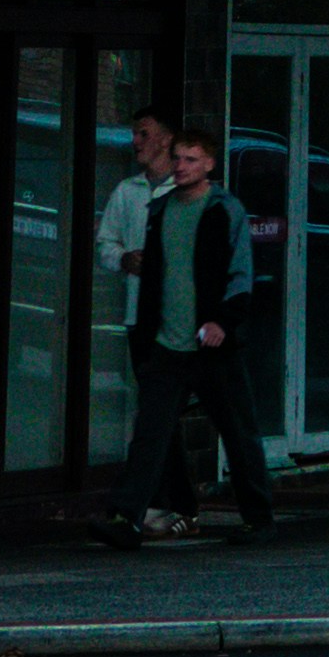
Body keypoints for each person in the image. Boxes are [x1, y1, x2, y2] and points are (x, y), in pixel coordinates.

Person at [101, 128, 279, 545]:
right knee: (150, 434)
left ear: (210, 165)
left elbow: (240, 274)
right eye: (178, 158)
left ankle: (259, 518)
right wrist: (148, 332)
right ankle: (126, 518)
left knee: (238, 432)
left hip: (212, 346)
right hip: (167, 343)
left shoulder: (224, 210)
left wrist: (223, 322)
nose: (181, 166)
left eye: (191, 159)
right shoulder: (160, 210)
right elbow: (154, 278)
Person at [89, 112, 196, 524]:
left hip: (179, 320)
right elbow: (106, 244)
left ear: (166, 140)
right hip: (141, 318)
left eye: (143, 134)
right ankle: (174, 502)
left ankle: (153, 501)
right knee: (158, 412)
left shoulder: (185, 191)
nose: (135, 141)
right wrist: (123, 258)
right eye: (134, 133)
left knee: (159, 413)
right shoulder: (128, 191)